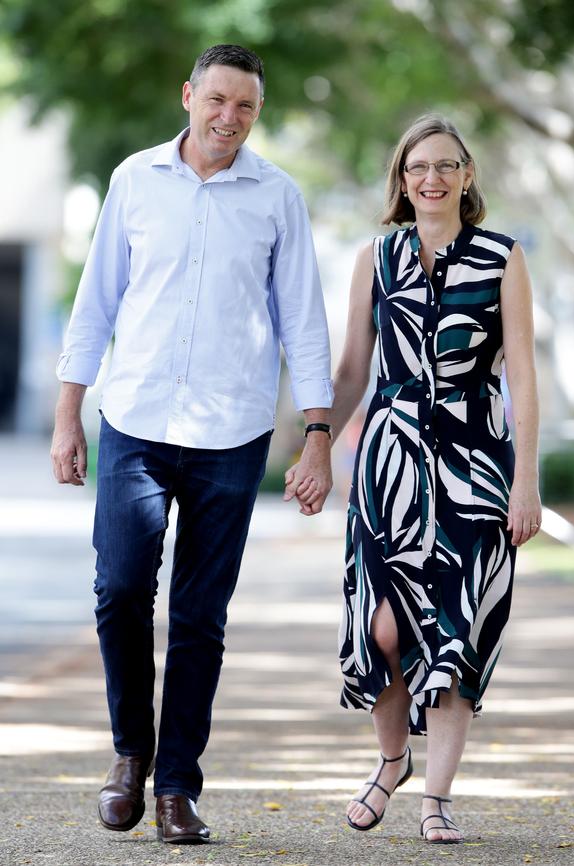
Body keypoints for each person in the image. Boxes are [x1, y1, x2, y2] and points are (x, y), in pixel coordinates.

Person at [51, 44, 333, 844]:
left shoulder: (277, 196)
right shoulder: (135, 181)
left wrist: (317, 438)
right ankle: (128, 755)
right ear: (187, 96)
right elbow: (95, 304)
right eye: (216, 100)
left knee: (201, 616)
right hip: (136, 423)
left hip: (233, 434)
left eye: (244, 106)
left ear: (257, 112)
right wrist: (69, 415)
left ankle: (176, 785)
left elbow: (303, 324)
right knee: (118, 593)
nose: (228, 118)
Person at [288, 114, 541, 843]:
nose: (431, 178)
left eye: (446, 165)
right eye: (417, 167)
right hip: (390, 459)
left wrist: (526, 480)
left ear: (468, 177)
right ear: (401, 179)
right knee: (384, 626)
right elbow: (350, 370)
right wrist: (315, 446)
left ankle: (436, 799)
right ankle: (392, 760)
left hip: (476, 461)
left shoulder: (502, 256)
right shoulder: (377, 256)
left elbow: (521, 376)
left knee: (457, 628)